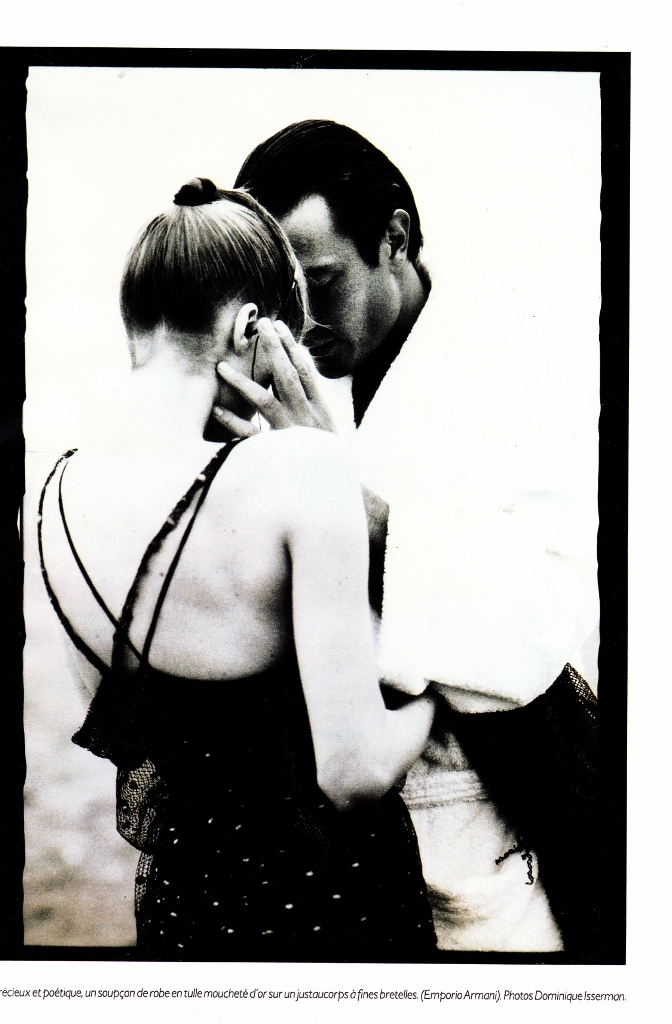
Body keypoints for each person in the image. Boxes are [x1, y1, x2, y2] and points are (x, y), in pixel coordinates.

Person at [212, 121, 601, 954]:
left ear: (393, 238)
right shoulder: (321, 377)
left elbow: (543, 636)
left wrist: (337, 499)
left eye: (319, 283)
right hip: (372, 855)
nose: (298, 323)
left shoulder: (521, 373)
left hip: (503, 855)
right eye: (275, 299)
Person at [37, 177, 437, 961]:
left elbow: (133, 722)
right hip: (329, 913)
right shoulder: (300, 471)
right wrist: (433, 695)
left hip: (183, 913)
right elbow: (353, 772)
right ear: (251, 325)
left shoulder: (52, 493)